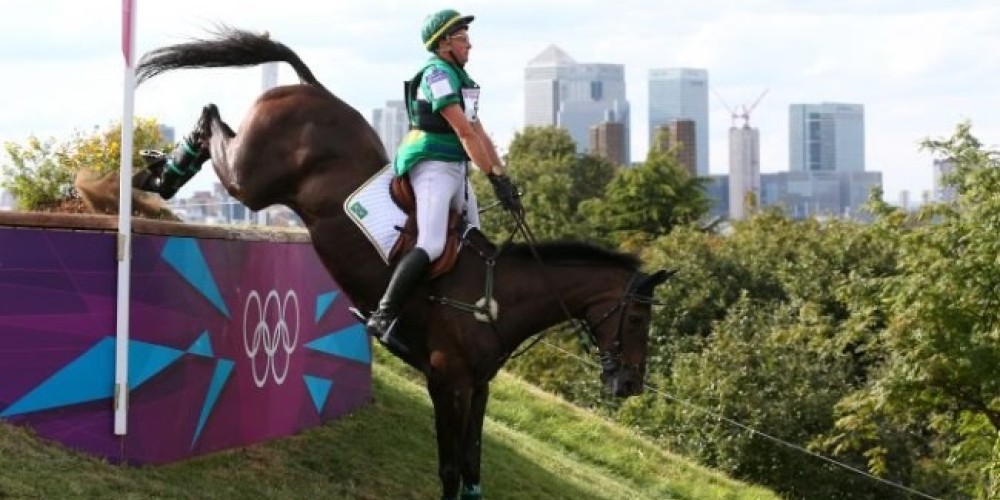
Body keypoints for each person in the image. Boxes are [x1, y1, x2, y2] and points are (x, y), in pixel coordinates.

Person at [366, 8, 522, 350]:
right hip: (432, 165)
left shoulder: (462, 78)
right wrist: (492, 179)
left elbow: (480, 130)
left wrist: (503, 177)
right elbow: (464, 131)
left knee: (475, 239)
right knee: (433, 243)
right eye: (463, 38)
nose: (470, 45)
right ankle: (383, 316)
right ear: (444, 44)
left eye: (468, 37)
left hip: (455, 168)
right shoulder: (436, 74)